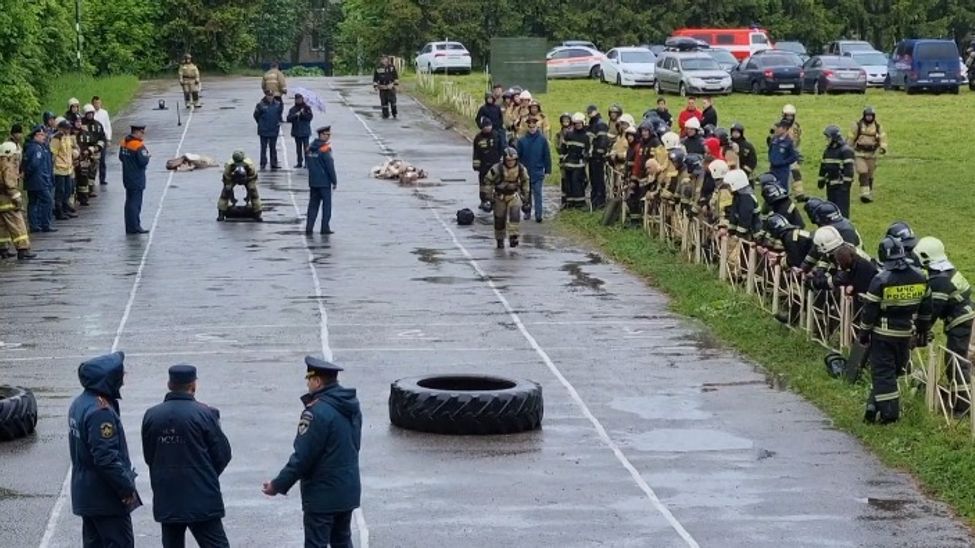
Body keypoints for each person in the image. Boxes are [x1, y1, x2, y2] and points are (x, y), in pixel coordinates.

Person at [263, 356, 362, 548]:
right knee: (342, 540)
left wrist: (277, 485)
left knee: (316, 543)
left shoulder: (316, 412)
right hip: (347, 490)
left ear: (317, 381)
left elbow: (302, 458)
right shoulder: (351, 406)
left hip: (322, 496)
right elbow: (354, 445)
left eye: (308, 379)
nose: (307, 384)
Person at [142, 365, 232, 548]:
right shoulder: (206, 414)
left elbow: (149, 455)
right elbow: (223, 454)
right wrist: (204, 473)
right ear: (193, 385)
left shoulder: (152, 415)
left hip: (168, 496)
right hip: (202, 496)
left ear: (169, 384)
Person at [68, 351, 140, 548]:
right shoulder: (101, 411)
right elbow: (106, 458)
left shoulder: (80, 402)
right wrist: (126, 487)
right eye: (120, 375)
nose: (123, 379)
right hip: (105, 498)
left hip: (88, 495)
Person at [860, 237, 932, 424]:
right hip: (906, 334)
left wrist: (863, 334)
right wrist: (923, 331)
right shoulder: (921, 276)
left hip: (883, 335)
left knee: (884, 373)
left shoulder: (881, 279)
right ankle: (873, 404)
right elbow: (926, 309)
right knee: (894, 372)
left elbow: (870, 311)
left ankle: (890, 414)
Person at [915, 236, 975, 414]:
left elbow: (932, 312)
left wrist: (921, 331)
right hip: (968, 319)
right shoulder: (949, 271)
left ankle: (965, 407)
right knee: (960, 361)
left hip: (961, 324)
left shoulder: (939, 281)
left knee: (955, 363)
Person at [484, 147, 530, 248]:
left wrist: (526, 198)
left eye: (513, 160)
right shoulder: (497, 168)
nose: (511, 163)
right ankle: (500, 239)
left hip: (513, 195)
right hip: (499, 196)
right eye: (508, 160)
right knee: (499, 218)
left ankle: (513, 237)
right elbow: (488, 180)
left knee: (515, 214)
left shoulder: (521, 169)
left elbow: (525, 182)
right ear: (504, 159)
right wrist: (488, 197)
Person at [0, 142, 34, 260]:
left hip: (1, 202)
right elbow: (9, 184)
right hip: (8, 202)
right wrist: (17, 198)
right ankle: (23, 250)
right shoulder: (8, 165)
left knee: (2, 226)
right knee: (18, 224)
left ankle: (3, 249)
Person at [516, 117, 552, 223]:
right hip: (525, 171)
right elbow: (518, 156)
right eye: (530, 127)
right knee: (526, 194)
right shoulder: (522, 141)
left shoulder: (542, 140)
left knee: (538, 193)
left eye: (534, 127)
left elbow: (547, 156)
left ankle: (538, 214)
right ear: (528, 127)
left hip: (538, 171)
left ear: (537, 127)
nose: (532, 129)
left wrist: (548, 170)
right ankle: (527, 212)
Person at [849, 106, 886, 204]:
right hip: (859, 153)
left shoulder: (878, 127)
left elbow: (883, 138)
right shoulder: (858, 125)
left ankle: (869, 192)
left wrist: (883, 147)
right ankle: (864, 194)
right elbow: (851, 138)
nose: (869, 118)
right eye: (867, 116)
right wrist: (847, 149)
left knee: (870, 174)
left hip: (872, 154)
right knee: (863, 171)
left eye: (871, 116)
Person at [817, 125, 855, 219]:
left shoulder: (846, 151)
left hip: (841, 187)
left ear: (834, 138)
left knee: (842, 211)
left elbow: (849, 170)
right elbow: (823, 167)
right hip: (830, 185)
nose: (826, 140)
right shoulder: (827, 151)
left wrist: (846, 185)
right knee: (832, 210)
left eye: (828, 137)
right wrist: (821, 180)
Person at [119, 124, 151, 234]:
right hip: (136, 177)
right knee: (135, 203)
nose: (143, 135)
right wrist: (147, 157)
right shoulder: (138, 145)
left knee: (129, 202)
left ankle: (129, 225)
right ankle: (135, 226)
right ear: (136, 132)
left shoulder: (124, 142)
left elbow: (121, 157)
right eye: (142, 132)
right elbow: (143, 161)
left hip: (127, 176)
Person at [306, 126, 337, 235]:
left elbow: (308, 163)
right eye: (326, 134)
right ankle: (324, 228)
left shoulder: (309, 148)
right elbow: (330, 166)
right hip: (324, 182)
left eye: (329, 135)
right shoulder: (325, 149)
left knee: (313, 205)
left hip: (313, 181)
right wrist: (334, 180)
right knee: (326, 206)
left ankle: (309, 228)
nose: (328, 137)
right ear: (321, 135)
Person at [23, 125, 55, 233]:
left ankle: (34, 225)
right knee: (47, 200)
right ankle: (45, 224)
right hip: (38, 180)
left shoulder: (32, 147)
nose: (43, 137)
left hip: (32, 181)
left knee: (33, 202)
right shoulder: (37, 148)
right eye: (41, 135)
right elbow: (34, 165)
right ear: (35, 136)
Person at [217, 151, 262, 221]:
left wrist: (248, 196)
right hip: (232, 177)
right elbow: (227, 180)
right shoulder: (229, 166)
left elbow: (253, 178)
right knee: (226, 192)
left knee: (253, 191)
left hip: (248, 178)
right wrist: (232, 197)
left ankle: (257, 213)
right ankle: (221, 213)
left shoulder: (250, 166)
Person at [77, 104, 107, 205]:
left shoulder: (98, 125)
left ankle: (91, 189)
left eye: (91, 113)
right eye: (88, 114)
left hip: (95, 152)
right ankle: (83, 193)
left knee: (93, 172)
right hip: (84, 153)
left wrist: (98, 147)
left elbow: (103, 138)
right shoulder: (81, 125)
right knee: (84, 173)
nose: (89, 115)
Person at [560, 112, 590, 209]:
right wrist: (562, 159)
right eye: (576, 123)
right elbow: (563, 148)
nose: (578, 125)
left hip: (579, 164)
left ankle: (580, 203)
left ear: (583, 123)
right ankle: (570, 202)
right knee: (568, 183)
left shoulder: (586, 136)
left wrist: (585, 158)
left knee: (577, 183)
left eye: (579, 123)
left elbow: (587, 150)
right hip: (568, 163)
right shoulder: (569, 135)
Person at [51, 119, 79, 220]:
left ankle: (65, 209)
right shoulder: (57, 138)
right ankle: (59, 211)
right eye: (66, 129)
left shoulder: (67, 137)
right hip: (59, 168)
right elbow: (53, 153)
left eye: (69, 129)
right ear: (61, 128)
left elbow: (70, 150)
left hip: (68, 168)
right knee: (60, 191)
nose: (68, 130)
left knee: (68, 189)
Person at [473, 117, 503, 209]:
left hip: (495, 164)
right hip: (483, 165)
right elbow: (476, 152)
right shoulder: (478, 138)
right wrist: (476, 165)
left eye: (489, 126)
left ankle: (495, 201)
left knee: (496, 184)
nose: (488, 128)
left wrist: (501, 160)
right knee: (483, 184)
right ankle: (483, 201)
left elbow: (501, 148)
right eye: (486, 126)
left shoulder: (496, 135)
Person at [585, 105, 609, 209]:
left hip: (597, 157)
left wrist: (599, 154)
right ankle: (594, 201)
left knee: (598, 180)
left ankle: (600, 202)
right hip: (592, 157)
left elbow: (603, 140)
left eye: (591, 112)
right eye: (589, 112)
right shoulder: (592, 124)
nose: (590, 114)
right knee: (593, 180)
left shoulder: (600, 124)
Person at [254, 90, 283, 170]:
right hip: (264, 129)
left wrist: (277, 123)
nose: (270, 97)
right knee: (263, 148)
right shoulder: (260, 105)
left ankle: (273, 163)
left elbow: (279, 114)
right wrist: (261, 123)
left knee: (273, 147)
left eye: (271, 95)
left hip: (274, 129)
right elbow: (256, 115)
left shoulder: (277, 104)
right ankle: (263, 163)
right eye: (268, 95)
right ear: (266, 95)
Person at [287, 94, 314, 168]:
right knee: (298, 149)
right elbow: (288, 119)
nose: (298, 100)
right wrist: (296, 115)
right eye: (297, 99)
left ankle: (307, 163)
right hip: (296, 132)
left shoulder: (307, 108)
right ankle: (299, 162)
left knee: (306, 149)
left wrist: (303, 114)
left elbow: (310, 117)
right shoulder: (293, 109)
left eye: (300, 99)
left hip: (305, 132)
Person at [92, 96, 113, 185]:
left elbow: (107, 126)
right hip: (93, 138)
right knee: (93, 160)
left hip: (102, 138)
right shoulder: (90, 113)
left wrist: (108, 139)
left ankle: (102, 178)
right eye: (95, 103)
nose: (97, 105)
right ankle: (92, 179)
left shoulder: (104, 113)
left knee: (102, 159)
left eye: (98, 103)